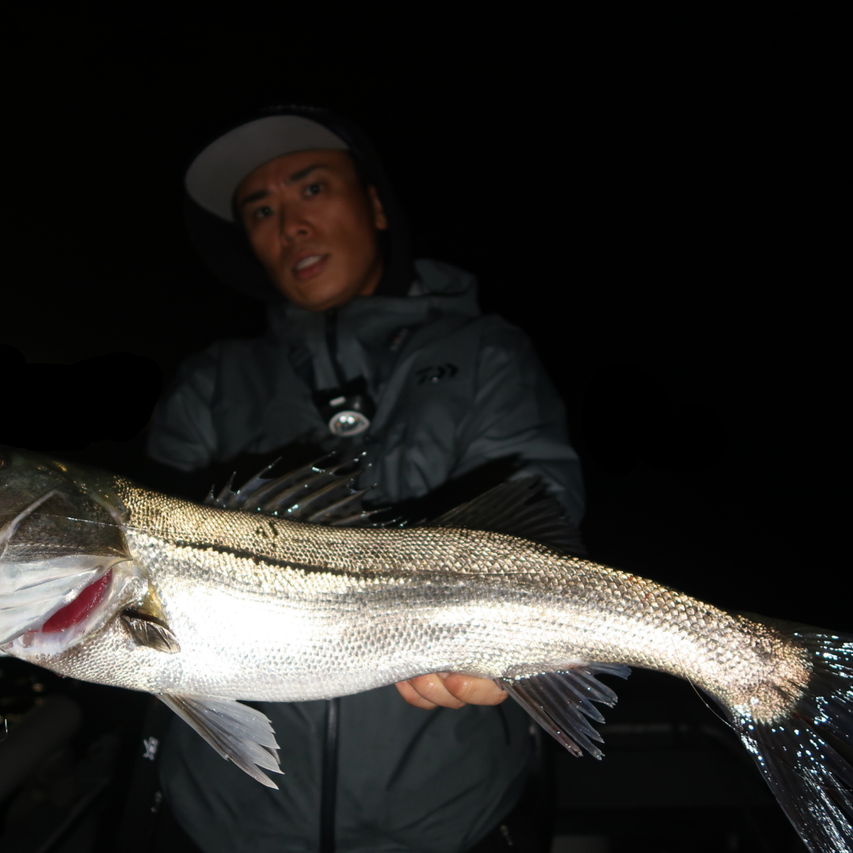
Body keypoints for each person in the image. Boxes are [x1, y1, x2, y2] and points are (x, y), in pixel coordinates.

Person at [145, 106, 585, 853]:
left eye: (312, 188)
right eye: (261, 211)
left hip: (451, 821)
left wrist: (515, 642)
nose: (291, 226)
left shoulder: (487, 351)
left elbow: (542, 511)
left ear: (377, 206)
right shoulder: (210, 382)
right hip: (228, 825)